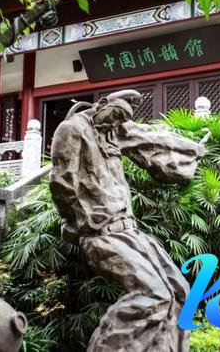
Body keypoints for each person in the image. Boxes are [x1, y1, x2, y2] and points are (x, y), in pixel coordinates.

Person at [49, 90, 208, 352]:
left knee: (180, 292)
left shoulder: (114, 130)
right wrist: (85, 221)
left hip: (129, 229)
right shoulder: (72, 129)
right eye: (116, 114)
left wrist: (191, 149)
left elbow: (150, 139)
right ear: (102, 104)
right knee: (153, 295)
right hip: (101, 232)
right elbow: (62, 183)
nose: (118, 121)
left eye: (123, 118)